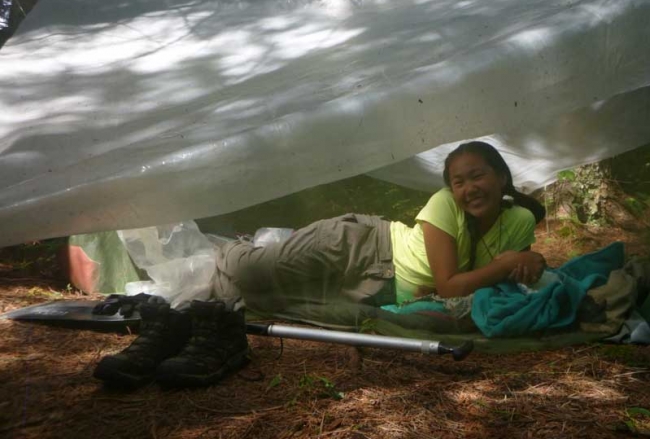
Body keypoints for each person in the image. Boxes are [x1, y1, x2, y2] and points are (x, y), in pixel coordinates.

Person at [94, 141, 547, 388]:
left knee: (251, 296)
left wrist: (523, 259)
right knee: (247, 270)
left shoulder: (521, 221)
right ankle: (235, 248)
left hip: (376, 290)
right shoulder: (443, 205)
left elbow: (484, 284)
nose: (468, 188)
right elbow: (451, 286)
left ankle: (221, 281)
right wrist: (512, 263)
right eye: (458, 180)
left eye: (478, 176)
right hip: (362, 246)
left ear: (502, 178)